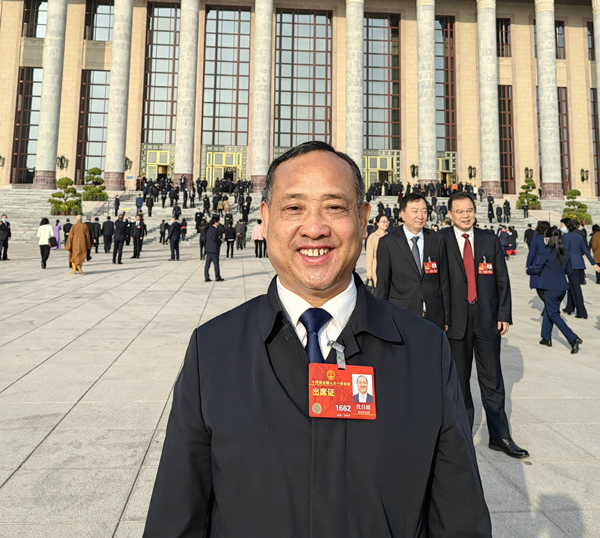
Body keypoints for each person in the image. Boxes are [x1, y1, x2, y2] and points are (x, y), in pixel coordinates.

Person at [144, 142, 491, 536]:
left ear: (363, 219)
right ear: (266, 219)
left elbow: (459, 514)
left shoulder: (424, 350)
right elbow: (177, 515)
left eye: (334, 207)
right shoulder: (213, 350)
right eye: (294, 208)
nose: (314, 228)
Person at [440, 192, 529, 459]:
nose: (465, 215)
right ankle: (461, 437)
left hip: (487, 319)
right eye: (459, 211)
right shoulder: (440, 240)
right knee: (458, 381)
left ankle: (500, 436)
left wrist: (504, 314)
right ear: (450, 214)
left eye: (469, 210)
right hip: (455, 322)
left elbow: (502, 279)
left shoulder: (489, 239)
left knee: (492, 380)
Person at [376, 194, 451, 332]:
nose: (420, 216)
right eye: (415, 211)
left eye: (424, 211)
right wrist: (382, 318)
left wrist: (446, 317)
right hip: (401, 316)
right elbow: (383, 286)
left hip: (434, 317)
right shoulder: (388, 243)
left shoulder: (437, 239)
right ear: (403, 215)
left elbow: (444, 281)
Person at [528, 227, 582, 353]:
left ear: (549, 239)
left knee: (553, 314)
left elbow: (537, 268)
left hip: (550, 287)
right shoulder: (565, 253)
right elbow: (569, 271)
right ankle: (546, 337)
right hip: (562, 287)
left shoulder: (545, 252)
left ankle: (573, 338)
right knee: (549, 310)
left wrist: (528, 270)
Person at [561, 217, 599, 319]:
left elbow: (566, 252)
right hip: (579, 264)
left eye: (562, 225)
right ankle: (569, 307)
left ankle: (581, 311)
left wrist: (562, 265)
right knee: (572, 286)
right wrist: (593, 264)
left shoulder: (566, 237)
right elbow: (586, 251)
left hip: (571, 265)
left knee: (575, 288)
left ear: (567, 226)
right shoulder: (579, 236)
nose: (561, 227)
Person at [365, 213, 389, 292]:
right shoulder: (372, 237)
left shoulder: (390, 236)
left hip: (389, 267)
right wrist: (369, 272)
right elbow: (369, 256)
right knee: (379, 290)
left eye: (387, 221)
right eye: (383, 222)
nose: (385, 223)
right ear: (377, 223)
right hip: (377, 266)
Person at [204, 216, 224, 282]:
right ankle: (217, 277)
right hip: (214, 249)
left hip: (208, 249)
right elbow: (214, 238)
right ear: (215, 222)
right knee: (216, 264)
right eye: (218, 222)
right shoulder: (215, 230)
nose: (219, 223)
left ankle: (206, 277)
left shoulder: (209, 229)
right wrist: (220, 240)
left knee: (207, 264)